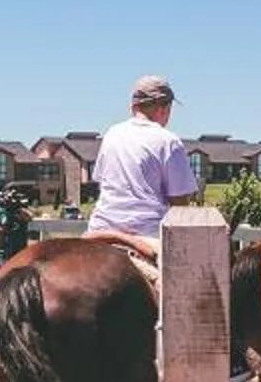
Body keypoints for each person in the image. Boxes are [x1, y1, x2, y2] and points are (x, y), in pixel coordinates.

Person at [85, 75, 201, 265]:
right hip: (146, 235)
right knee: (188, 285)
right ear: (164, 108)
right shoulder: (168, 141)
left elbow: (102, 182)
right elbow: (179, 206)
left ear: (133, 107)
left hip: (99, 230)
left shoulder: (112, 134)